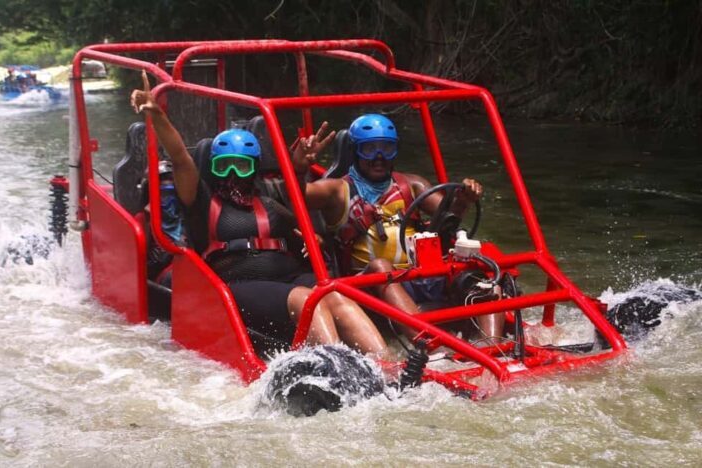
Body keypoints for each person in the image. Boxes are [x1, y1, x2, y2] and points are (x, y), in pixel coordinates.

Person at [130, 71, 389, 357]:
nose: (231, 174)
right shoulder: (203, 202)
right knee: (305, 300)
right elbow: (180, 158)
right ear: (212, 168)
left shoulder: (269, 201)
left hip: (288, 277)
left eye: (240, 166)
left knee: (335, 295)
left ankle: (388, 366)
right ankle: (340, 367)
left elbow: (299, 213)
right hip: (236, 284)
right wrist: (157, 116)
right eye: (223, 166)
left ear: (254, 169)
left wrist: (310, 230)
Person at [291, 114, 505, 342]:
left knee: (473, 267)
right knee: (381, 266)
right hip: (367, 286)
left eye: (387, 148)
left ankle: (494, 347)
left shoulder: (412, 184)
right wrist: (298, 167)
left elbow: (447, 216)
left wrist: (464, 198)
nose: (379, 157)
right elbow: (296, 197)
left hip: (419, 276)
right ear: (355, 151)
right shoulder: (336, 190)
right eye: (369, 149)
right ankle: (430, 346)